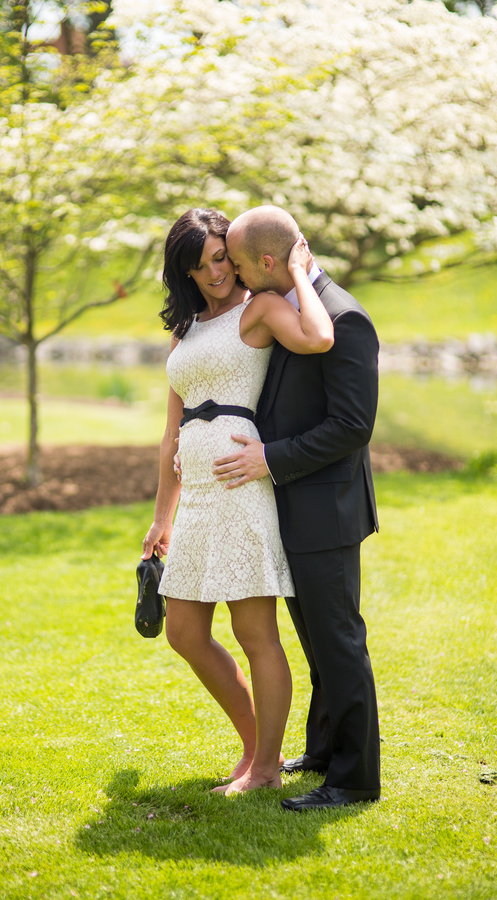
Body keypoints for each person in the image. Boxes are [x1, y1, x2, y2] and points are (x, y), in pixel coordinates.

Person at [141, 207, 334, 795]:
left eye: (221, 258)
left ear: (236, 253)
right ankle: (256, 751)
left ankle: (268, 769)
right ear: (186, 273)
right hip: (195, 491)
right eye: (199, 267)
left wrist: (300, 271)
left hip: (239, 483)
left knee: (256, 635)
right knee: (184, 633)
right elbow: (170, 433)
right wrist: (160, 519)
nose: (214, 273)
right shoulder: (187, 330)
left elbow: (320, 336)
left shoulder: (259, 309)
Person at [211, 205, 381, 811]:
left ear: (265, 261)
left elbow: (352, 427)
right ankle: (323, 750)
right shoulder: (291, 307)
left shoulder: (346, 319)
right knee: (314, 640)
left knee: (338, 640)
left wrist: (269, 459)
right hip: (291, 509)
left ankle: (356, 779)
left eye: (234, 260)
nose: (228, 269)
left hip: (326, 511)